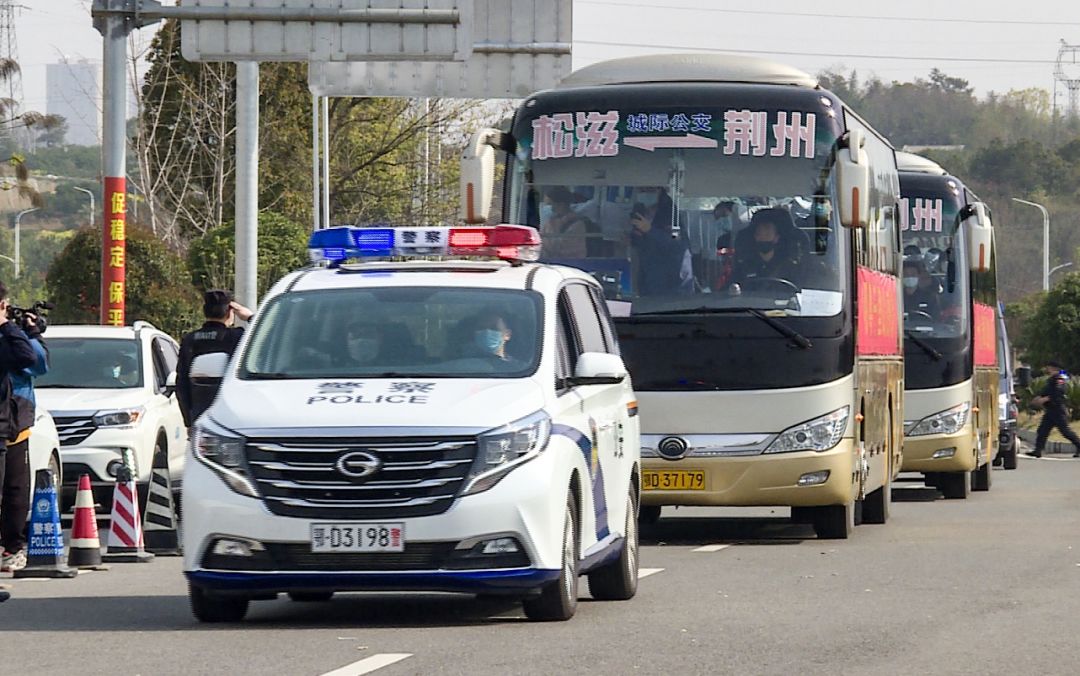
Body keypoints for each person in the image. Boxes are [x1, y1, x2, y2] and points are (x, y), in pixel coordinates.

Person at [0, 286, 43, 574]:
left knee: (15, 488)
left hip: (15, 421)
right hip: (6, 420)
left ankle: (12, 547)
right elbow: (30, 359)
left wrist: (33, 333)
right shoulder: (10, 339)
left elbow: (38, 362)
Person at [177, 290, 254, 427]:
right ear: (229, 312)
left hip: (200, 417)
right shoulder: (237, 337)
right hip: (231, 414)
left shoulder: (189, 340)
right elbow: (267, 334)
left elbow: (181, 384)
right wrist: (250, 317)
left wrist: (188, 422)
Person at [629, 187, 692, 295]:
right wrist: (632, 240)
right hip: (648, 282)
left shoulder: (671, 215)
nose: (645, 194)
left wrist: (650, 230)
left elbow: (676, 244)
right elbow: (645, 245)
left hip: (673, 285)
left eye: (650, 190)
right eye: (642, 190)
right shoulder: (640, 211)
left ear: (660, 192)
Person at [731, 208, 803, 286]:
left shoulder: (790, 268)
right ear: (755, 237)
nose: (763, 238)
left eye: (767, 234)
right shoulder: (744, 267)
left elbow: (800, 292)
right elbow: (730, 289)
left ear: (776, 238)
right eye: (759, 234)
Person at [1027, 360, 1080, 458]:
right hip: (1050, 410)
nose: (1047, 368)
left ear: (1053, 367)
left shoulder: (1059, 378)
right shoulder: (1052, 378)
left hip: (1057, 409)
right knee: (1042, 430)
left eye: (1048, 367)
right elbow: (1047, 391)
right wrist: (1039, 398)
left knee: (1065, 431)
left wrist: (1045, 399)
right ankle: (1038, 450)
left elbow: (1058, 392)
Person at [542, 187, 591, 259]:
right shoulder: (550, 221)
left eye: (550, 204)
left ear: (561, 204)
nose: (548, 207)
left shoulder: (577, 225)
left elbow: (558, 247)